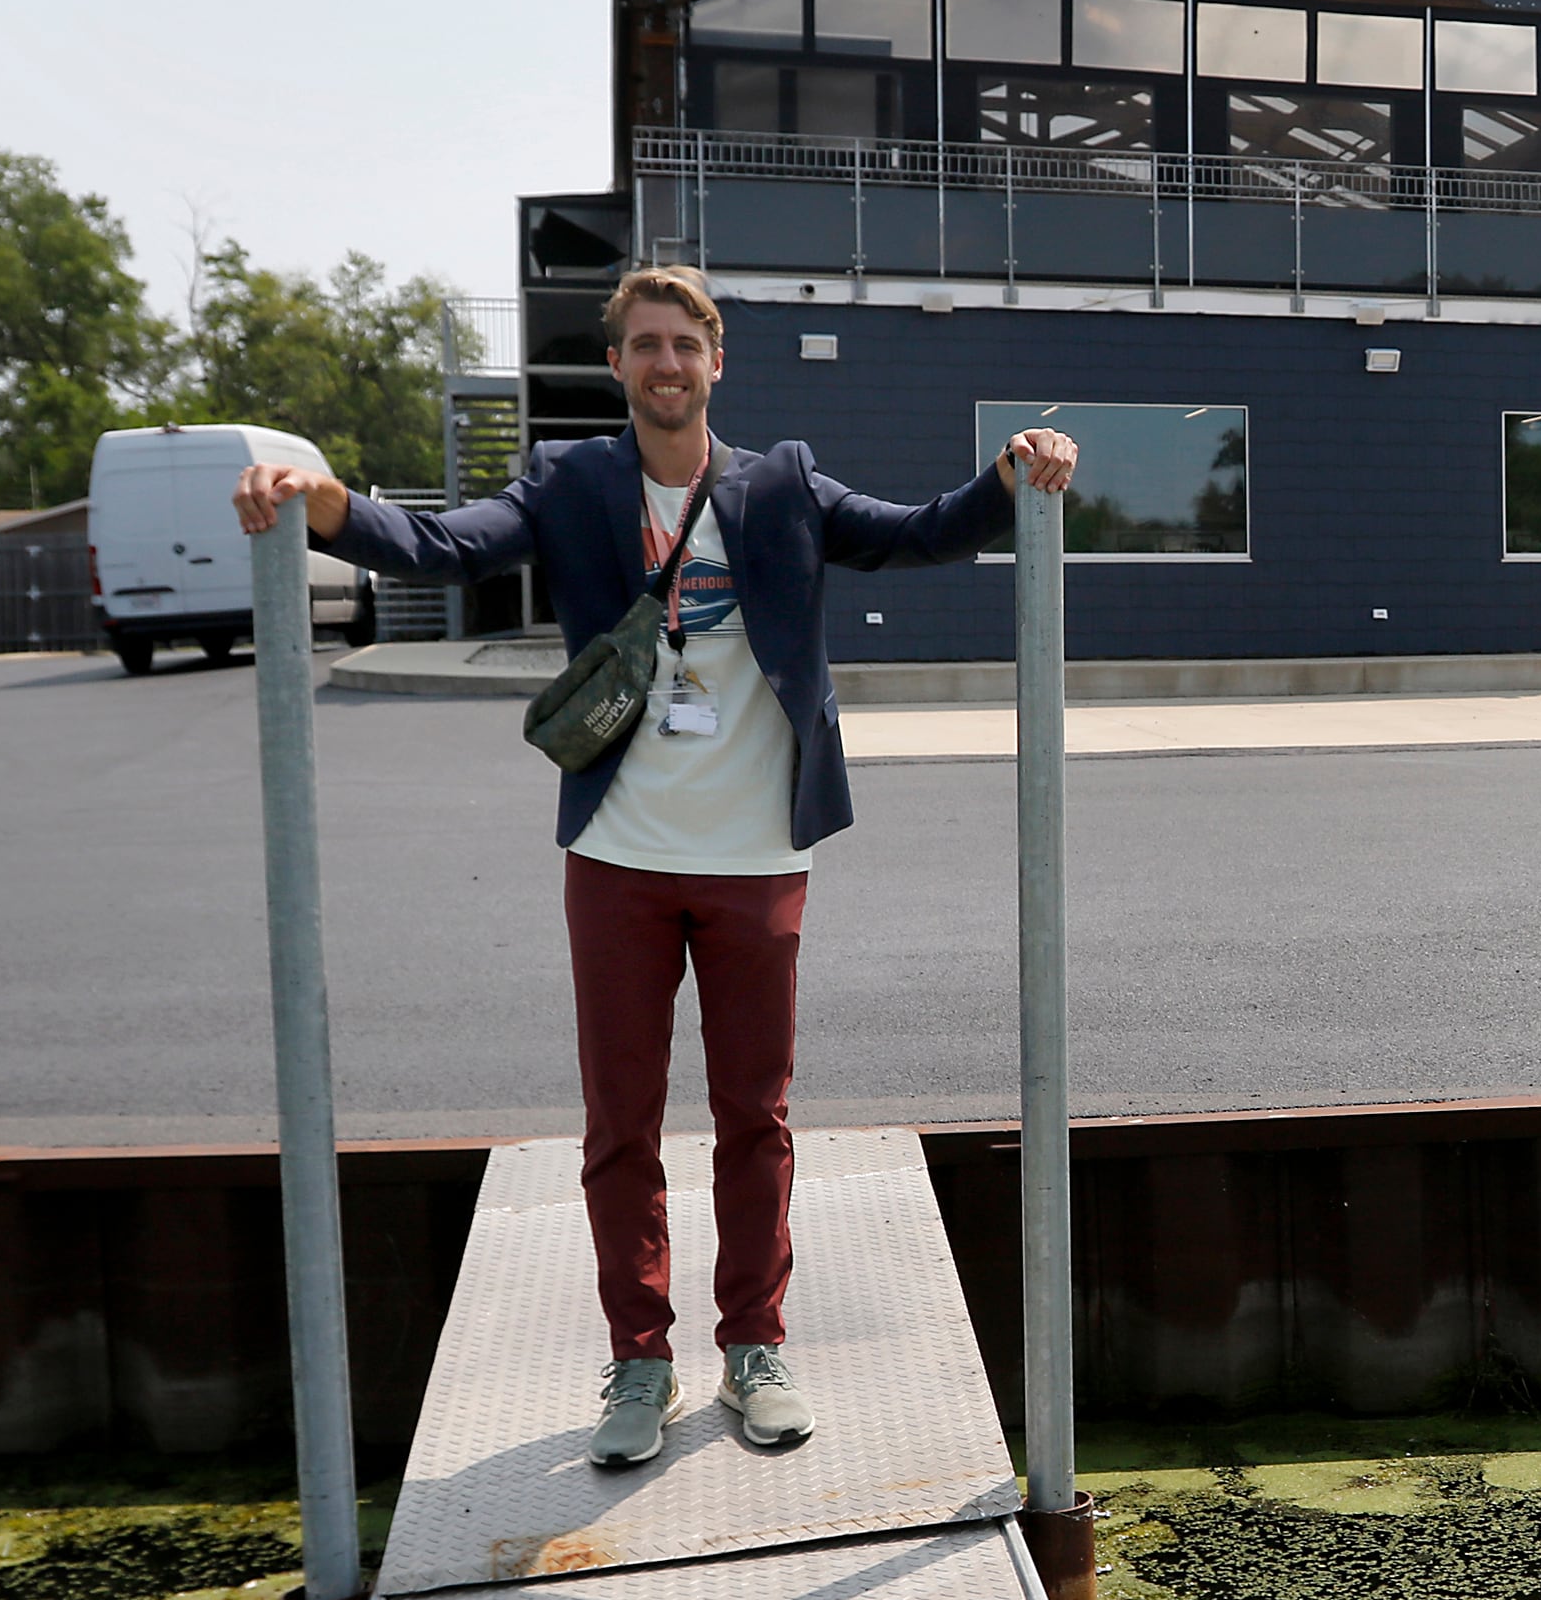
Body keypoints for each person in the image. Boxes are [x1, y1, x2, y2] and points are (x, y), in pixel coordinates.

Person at [233, 263, 1076, 1469]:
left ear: (716, 360)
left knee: (756, 1117)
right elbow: (440, 544)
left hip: (756, 858)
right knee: (619, 1125)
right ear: (618, 366)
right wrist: (321, 501)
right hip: (619, 857)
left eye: (686, 343)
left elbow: (915, 536)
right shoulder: (573, 483)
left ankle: (755, 1347)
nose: (667, 364)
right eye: (644, 346)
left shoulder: (779, 484)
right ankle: (639, 1362)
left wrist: (1012, 472)